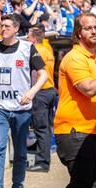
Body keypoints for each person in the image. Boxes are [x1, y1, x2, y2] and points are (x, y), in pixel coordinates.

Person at [47, 12, 96, 188]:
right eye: (88, 28)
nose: (93, 31)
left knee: (83, 183)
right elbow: (89, 89)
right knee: (80, 184)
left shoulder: (94, 58)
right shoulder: (74, 57)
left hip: (89, 129)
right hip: (73, 130)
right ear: (78, 33)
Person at [0, 14, 47, 188]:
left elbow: (43, 74)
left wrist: (32, 92)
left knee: (19, 151)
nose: (3, 28)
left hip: (21, 109)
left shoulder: (27, 48)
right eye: (2, 25)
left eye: (7, 26)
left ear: (16, 29)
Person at [26, 24, 57, 172]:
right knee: (45, 127)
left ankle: (42, 162)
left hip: (41, 92)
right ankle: (43, 156)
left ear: (32, 38)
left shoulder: (36, 50)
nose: (26, 37)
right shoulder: (48, 49)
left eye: (28, 35)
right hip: (50, 90)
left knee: (41, 128)